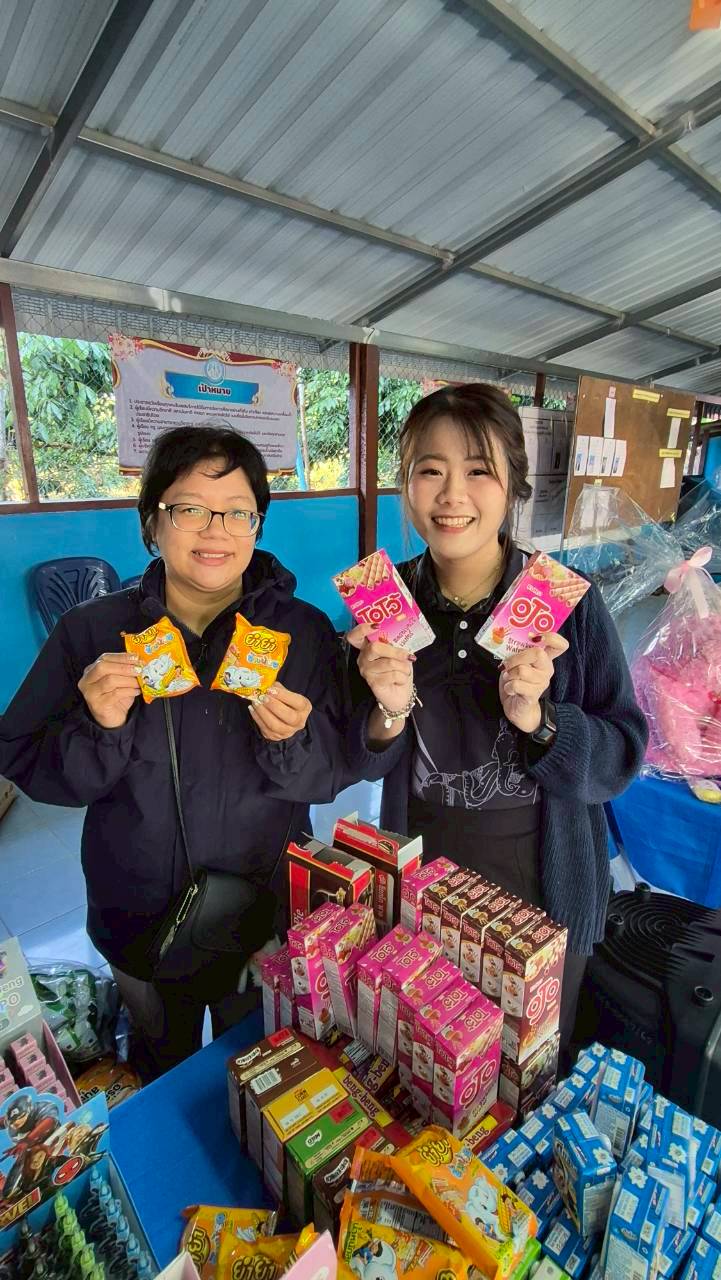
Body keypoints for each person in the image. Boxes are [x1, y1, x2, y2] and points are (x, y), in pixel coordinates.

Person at [0, 424, 375, 1076]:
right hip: (136, 911)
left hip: (262, 910)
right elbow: (26, 761)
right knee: (156, 1055)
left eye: (237, 512)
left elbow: (335, 772)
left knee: (261, 1060)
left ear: (258, 525)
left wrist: (292, 741)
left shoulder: (305, 633)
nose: (215, 531)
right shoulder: (92, 632)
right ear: (153, 521)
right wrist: (100, 725)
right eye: (190, 509)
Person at [349, 383, 648, 1051]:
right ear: (406, 487)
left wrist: (542, 722)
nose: (452, 495)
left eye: (478, 471)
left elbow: (622, 753)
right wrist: (386, 714)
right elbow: (357, 758)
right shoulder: (385, 601)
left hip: (544, 900)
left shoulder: (565, 604)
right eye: (430, 470)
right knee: (426, 1064)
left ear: (513, 484)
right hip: (421, 893)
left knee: (530, 1074)